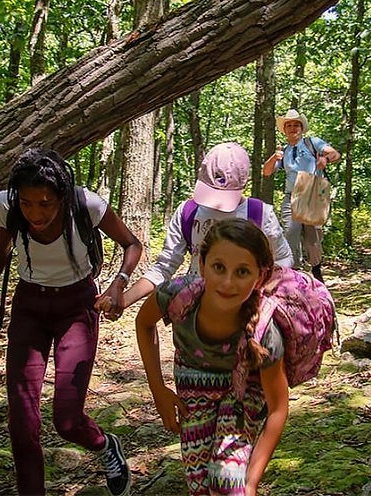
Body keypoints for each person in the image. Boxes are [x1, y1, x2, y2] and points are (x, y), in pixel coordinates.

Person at [0, 148, 142, 496]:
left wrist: (118, 284)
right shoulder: (6, 205)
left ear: (61, 196)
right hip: (29, 306)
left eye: (45, 204)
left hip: (77, 307)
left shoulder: (87, 205)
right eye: (27, 204)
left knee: (67, 419)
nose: (34, 213)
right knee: (21, 417)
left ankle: (106, 446)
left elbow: (132, 244)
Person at [135, 219, 289, 496]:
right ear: (202, 264)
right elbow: (144, 324)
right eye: (219, 267)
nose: (228, 282)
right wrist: (158, 389)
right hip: (193, 389)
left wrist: (251, 483)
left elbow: (278, 409)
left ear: (260, 277)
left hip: (244, 391)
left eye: (242, 271)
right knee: (199, 484)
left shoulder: (265, 333)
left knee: (229, 481)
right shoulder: (176, 295)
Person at [118, 142, 293, 315]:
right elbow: (164, 266)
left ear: (244, 183)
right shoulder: (188, 212)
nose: (217, 204)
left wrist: (259, 293)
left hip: (248, 311)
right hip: (195, 312)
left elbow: (283, 260)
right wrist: (123, 300)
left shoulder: (259, 214)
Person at [262, 109, 340, 282]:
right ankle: (293, 271)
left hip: (312, 194)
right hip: (292, 196)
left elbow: (335, 154)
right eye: (288, 125)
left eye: (296, 124)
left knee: (313, 238)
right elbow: (266, 172)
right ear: (285, 129)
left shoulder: (312, 142)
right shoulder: (284, 151)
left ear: (301, 127)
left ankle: (316, 268)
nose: (292, 128)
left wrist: (325, 160)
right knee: (290, 231)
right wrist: (274, 158)